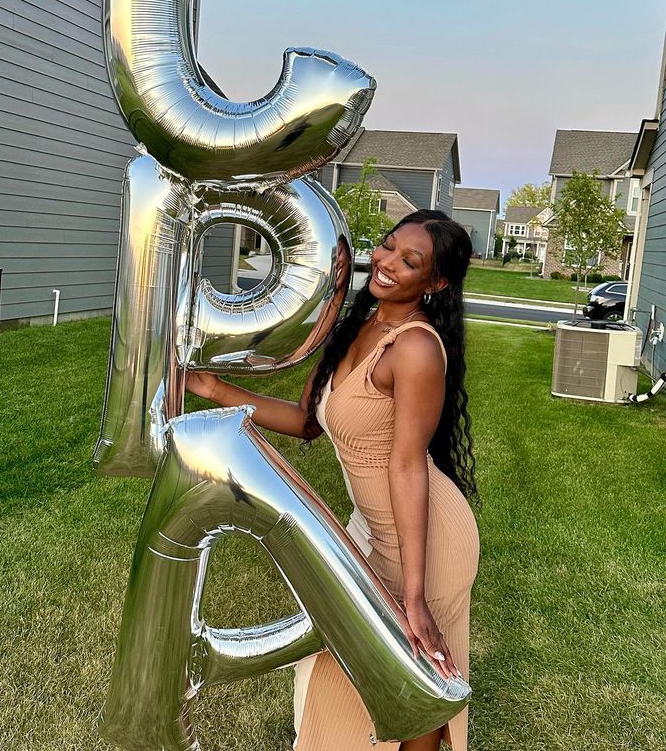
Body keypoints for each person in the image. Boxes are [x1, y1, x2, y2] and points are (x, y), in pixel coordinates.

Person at [186, 209, 480, 751]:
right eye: (388, 246)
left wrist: (413, 598)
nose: (387, 263)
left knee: (415, 690)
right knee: (345, 671)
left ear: (436, 283)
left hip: (426, 542)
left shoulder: (414, 348)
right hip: (370, 529)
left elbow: (407, 465)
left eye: (409, 261)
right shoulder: (359, 324)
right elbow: (307, 422)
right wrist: (215, 389)